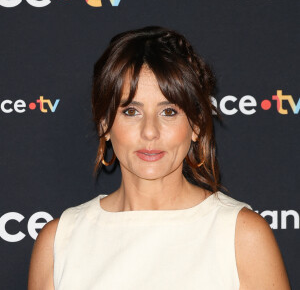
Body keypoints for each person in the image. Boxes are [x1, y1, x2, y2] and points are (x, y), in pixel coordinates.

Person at [28, 26, 291, 290]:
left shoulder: (242, 236)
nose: (150, 132)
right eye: (131, 111)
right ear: (105, 123)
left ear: (196, 124)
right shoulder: (59, 241)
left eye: (169, 112)